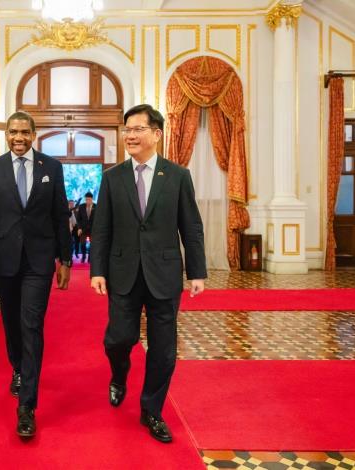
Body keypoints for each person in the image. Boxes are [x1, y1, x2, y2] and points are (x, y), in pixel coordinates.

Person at [90, 104, 206, 443]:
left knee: (164, 350)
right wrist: (98, 270)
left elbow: (192, 226)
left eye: (138, 129)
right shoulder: (113, 177)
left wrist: (197, 271)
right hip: (123, 273)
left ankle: (151, 410)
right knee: (118, 340)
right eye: (127, 129)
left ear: (156, 134)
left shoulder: (177, 176)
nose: (130, 135)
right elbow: (102, 229)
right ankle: (119, 374)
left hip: (165, 274)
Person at [0, 111, 72, 439]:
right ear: (6, 134)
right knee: (12, 324)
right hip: (5, 261)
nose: (19, 137)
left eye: (24, 132)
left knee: (31, 325)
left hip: (39, 263)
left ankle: (27, 406)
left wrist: (66, 259)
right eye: (13, 132)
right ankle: (18, 366)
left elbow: (60, 215)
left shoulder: (51, 168)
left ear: (34, 133)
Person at [75, 191, 96, 262]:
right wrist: (79, 228)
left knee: (93, 244)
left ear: (92, 199)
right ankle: (83, 256)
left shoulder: (96, 206)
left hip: (93, 229)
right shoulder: (81, 206)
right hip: (83, 229)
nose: (87, 201)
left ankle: (90, 257)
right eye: (86, 199)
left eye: (89, 199)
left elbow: (99, 218)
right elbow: (78, 218)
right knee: (83, 243)